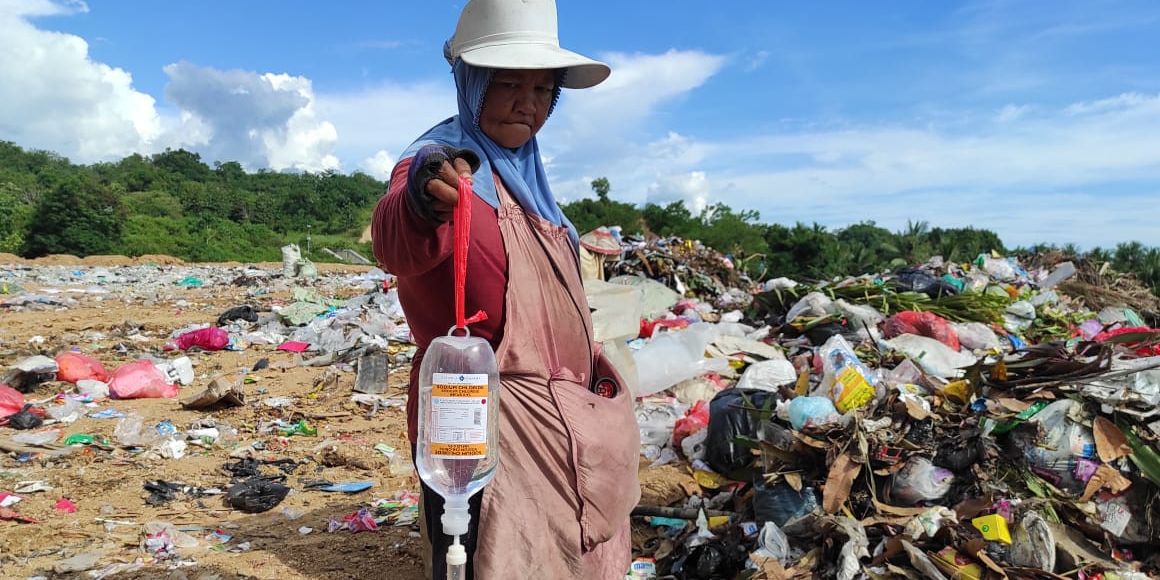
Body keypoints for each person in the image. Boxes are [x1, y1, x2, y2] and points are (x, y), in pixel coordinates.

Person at [370, 1, 641, 578]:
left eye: (544, 90)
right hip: (478, 414)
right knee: (475, 549)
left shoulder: (526, 176)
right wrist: (422, 200)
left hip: (561, 415)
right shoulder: (441, 161)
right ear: (472, 86)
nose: (529, 102)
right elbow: (395, 239)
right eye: (510, 84)